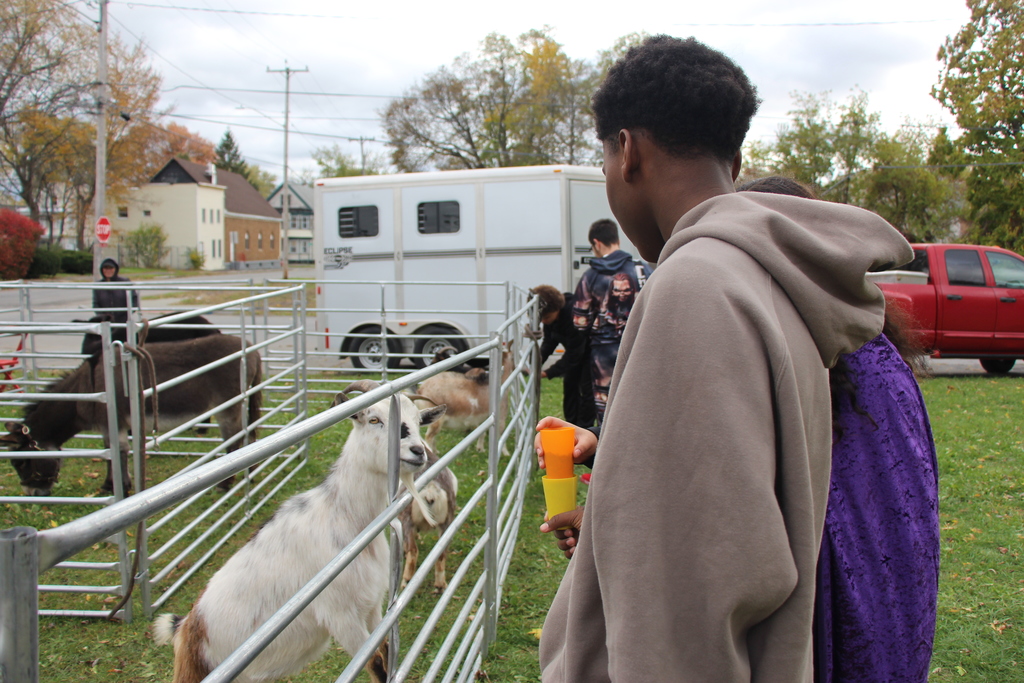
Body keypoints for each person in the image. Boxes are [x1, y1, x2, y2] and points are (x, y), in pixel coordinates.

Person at [534, 36, 913, 683]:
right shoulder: (766, 282)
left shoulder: (696, 286)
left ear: (627, 151)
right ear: (734, 161)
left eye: (603, 158)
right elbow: (724, 519)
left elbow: (688, 612)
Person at [741, 176, 939, 683]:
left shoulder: (806, 345)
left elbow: (737, 487)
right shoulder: (873, 337)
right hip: (897, 606)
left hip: (840, 606)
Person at [571, 218, 649, 424]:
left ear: (596, 243)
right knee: (641, 402)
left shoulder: (592, 276)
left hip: (603, 355)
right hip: (641, 349)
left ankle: (610, 452)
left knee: (607, 412)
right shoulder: (642, 270)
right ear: (617, 240)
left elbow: (579, 322)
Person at [531, 285, 596, 428]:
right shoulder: (552, 319)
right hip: (577, 351)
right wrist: (536, 362)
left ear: (557, 310)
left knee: (587, 391)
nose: (544, 322)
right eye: (541, 319)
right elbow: (550, 340)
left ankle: (586, 429)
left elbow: (574, 354)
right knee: (570, 386)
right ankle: (571, 426)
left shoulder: (575, 316)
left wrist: (548, 372)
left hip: (593, 352)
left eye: (546, 318)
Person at [93, 258, 139, 324]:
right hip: (105, 323)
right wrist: (102, 317)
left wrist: (128, 314)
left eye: (111, 268)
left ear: (115, 269)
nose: (108, 270)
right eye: (106, 268)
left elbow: (134, 299)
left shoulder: (125, 282)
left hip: (124, 321)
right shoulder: (98, 285)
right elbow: (96, 304)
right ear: (102, 270)